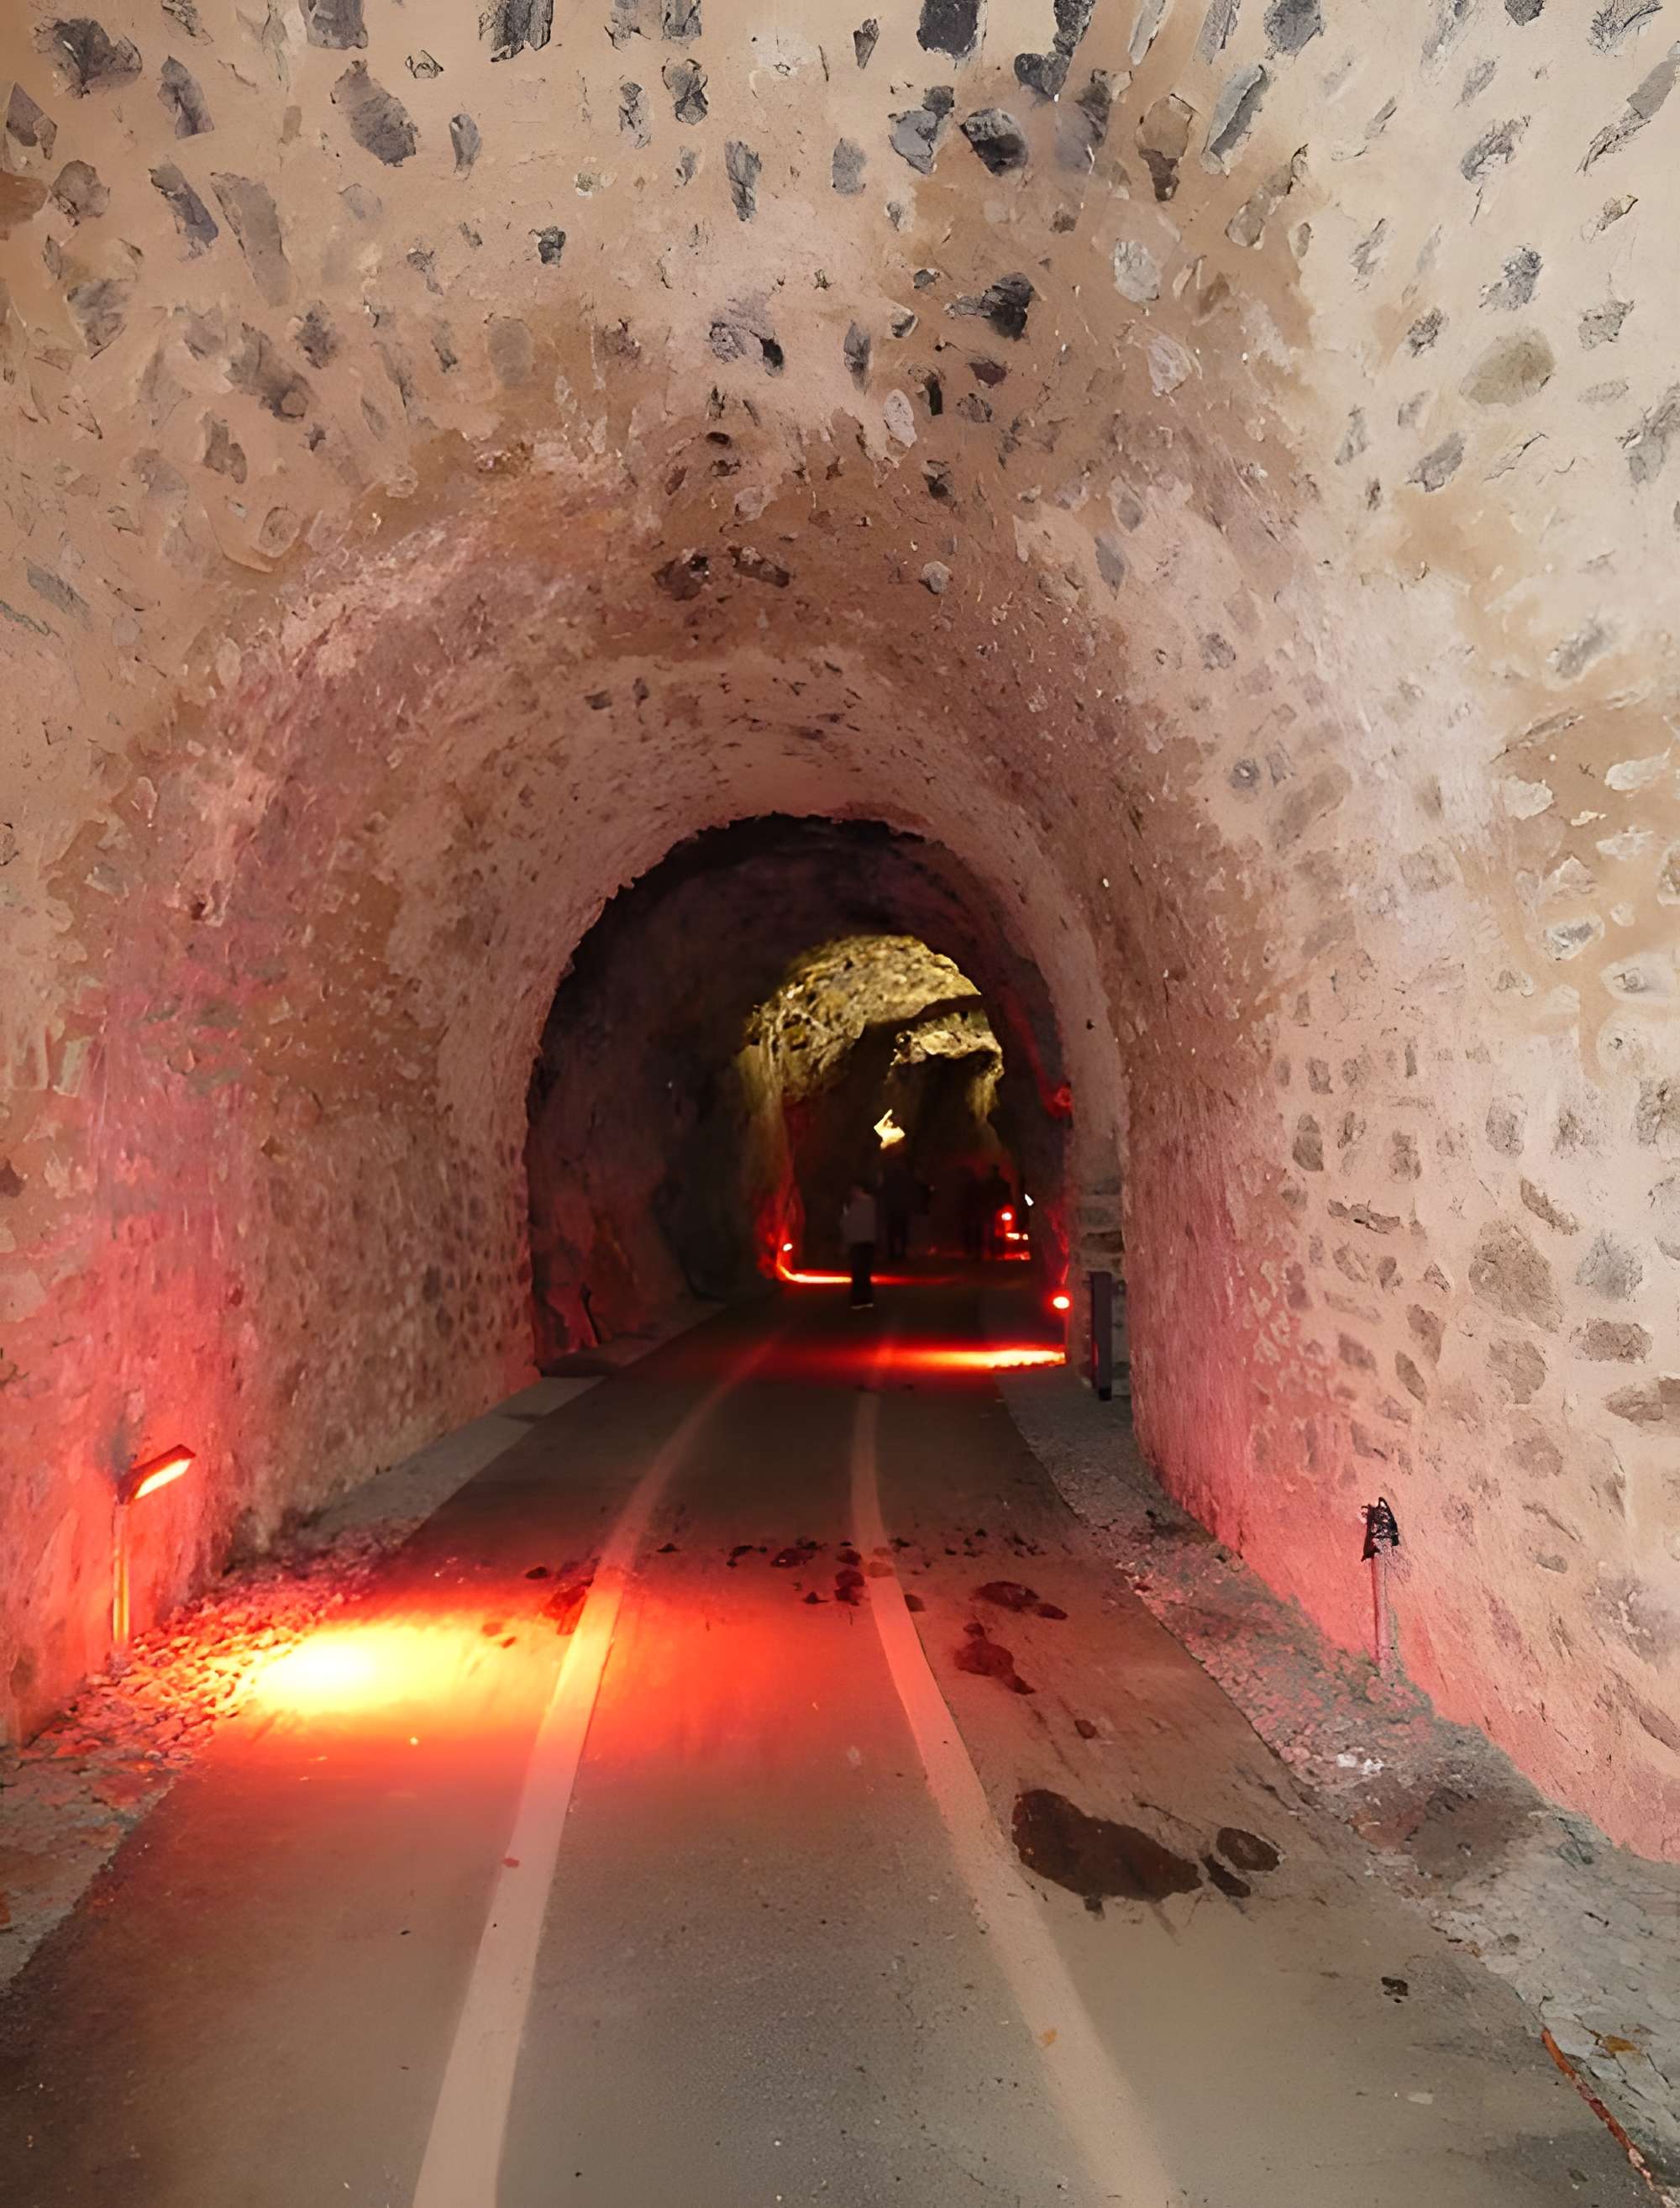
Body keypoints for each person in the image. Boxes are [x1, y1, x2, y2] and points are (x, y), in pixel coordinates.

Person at [841, 1181, 878, 1310]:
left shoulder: (850, 1205)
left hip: (857, 1242)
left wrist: (846, 1242)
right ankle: (866, 1299)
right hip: (868, 1241)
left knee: (858, 1272)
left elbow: (846, 1223)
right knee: (865, 1272)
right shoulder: (871, 1203)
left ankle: (857, 1300)